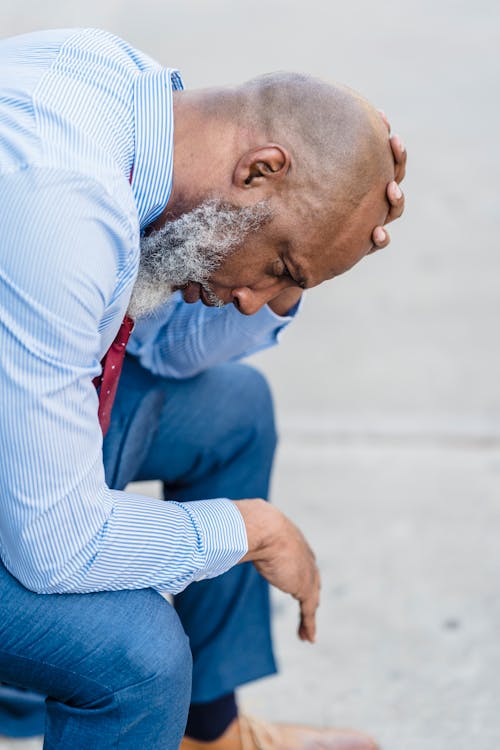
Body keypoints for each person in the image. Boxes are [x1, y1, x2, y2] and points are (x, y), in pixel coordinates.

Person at [0, 27, 406, 750]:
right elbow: (55, 546)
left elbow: (165, 351)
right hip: (33, 514)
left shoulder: (133, 101)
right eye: (280, 265)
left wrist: (327, 238)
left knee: (234, 410)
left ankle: (206, 736)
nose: (259, 300)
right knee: (134, 654)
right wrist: (250, 530)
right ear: (260, 170)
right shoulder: (63, 208)